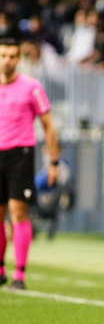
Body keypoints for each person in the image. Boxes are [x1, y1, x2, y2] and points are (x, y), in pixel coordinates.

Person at [0, 38, 60, 290]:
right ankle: (1, 269)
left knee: (18, 212)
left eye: (13, 56)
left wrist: (53, 162)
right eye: (3, 55)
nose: (8, 61)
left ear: (19, 58)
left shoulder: (31, 87)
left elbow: (48, 125)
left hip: (20, 154)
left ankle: (20, 273)